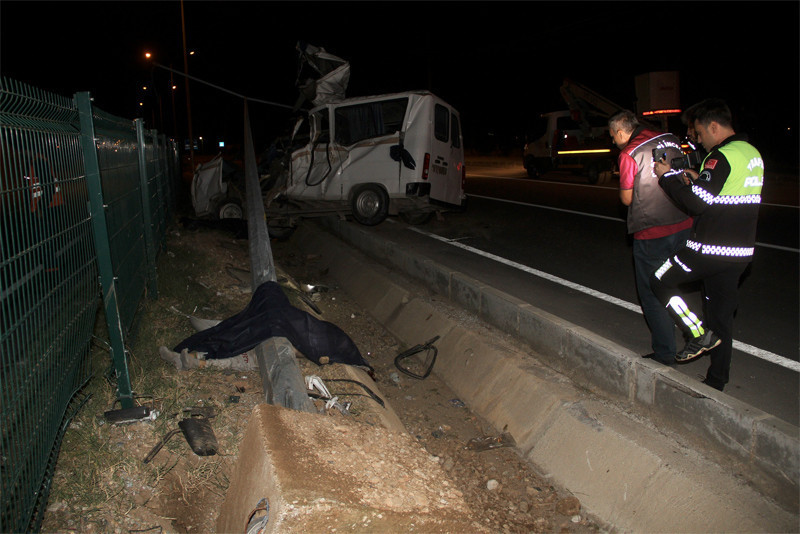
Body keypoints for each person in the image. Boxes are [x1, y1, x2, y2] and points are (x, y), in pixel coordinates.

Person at [651, 98, 763, 391]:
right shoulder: (751, 154)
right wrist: (697, 178)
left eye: (699, 133)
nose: (698, 139)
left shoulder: (720, 156)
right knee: (721, 321)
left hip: (709, 249)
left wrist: (668, 178)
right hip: (739, 253)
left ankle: (695, 332)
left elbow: (695, 203)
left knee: (660, 279)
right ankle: (716, 383)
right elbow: (725, 190)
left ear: (713, 126)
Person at [608, 110, 693, 365]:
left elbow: (626, 198)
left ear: (621, 132)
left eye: (613, 136)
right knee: (672, 284)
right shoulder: (669, 138)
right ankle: (696, 334)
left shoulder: (630, 152)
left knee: (651, 291)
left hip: (652, 231)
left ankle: (665, 352)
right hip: (683, 222)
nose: (613, 141)